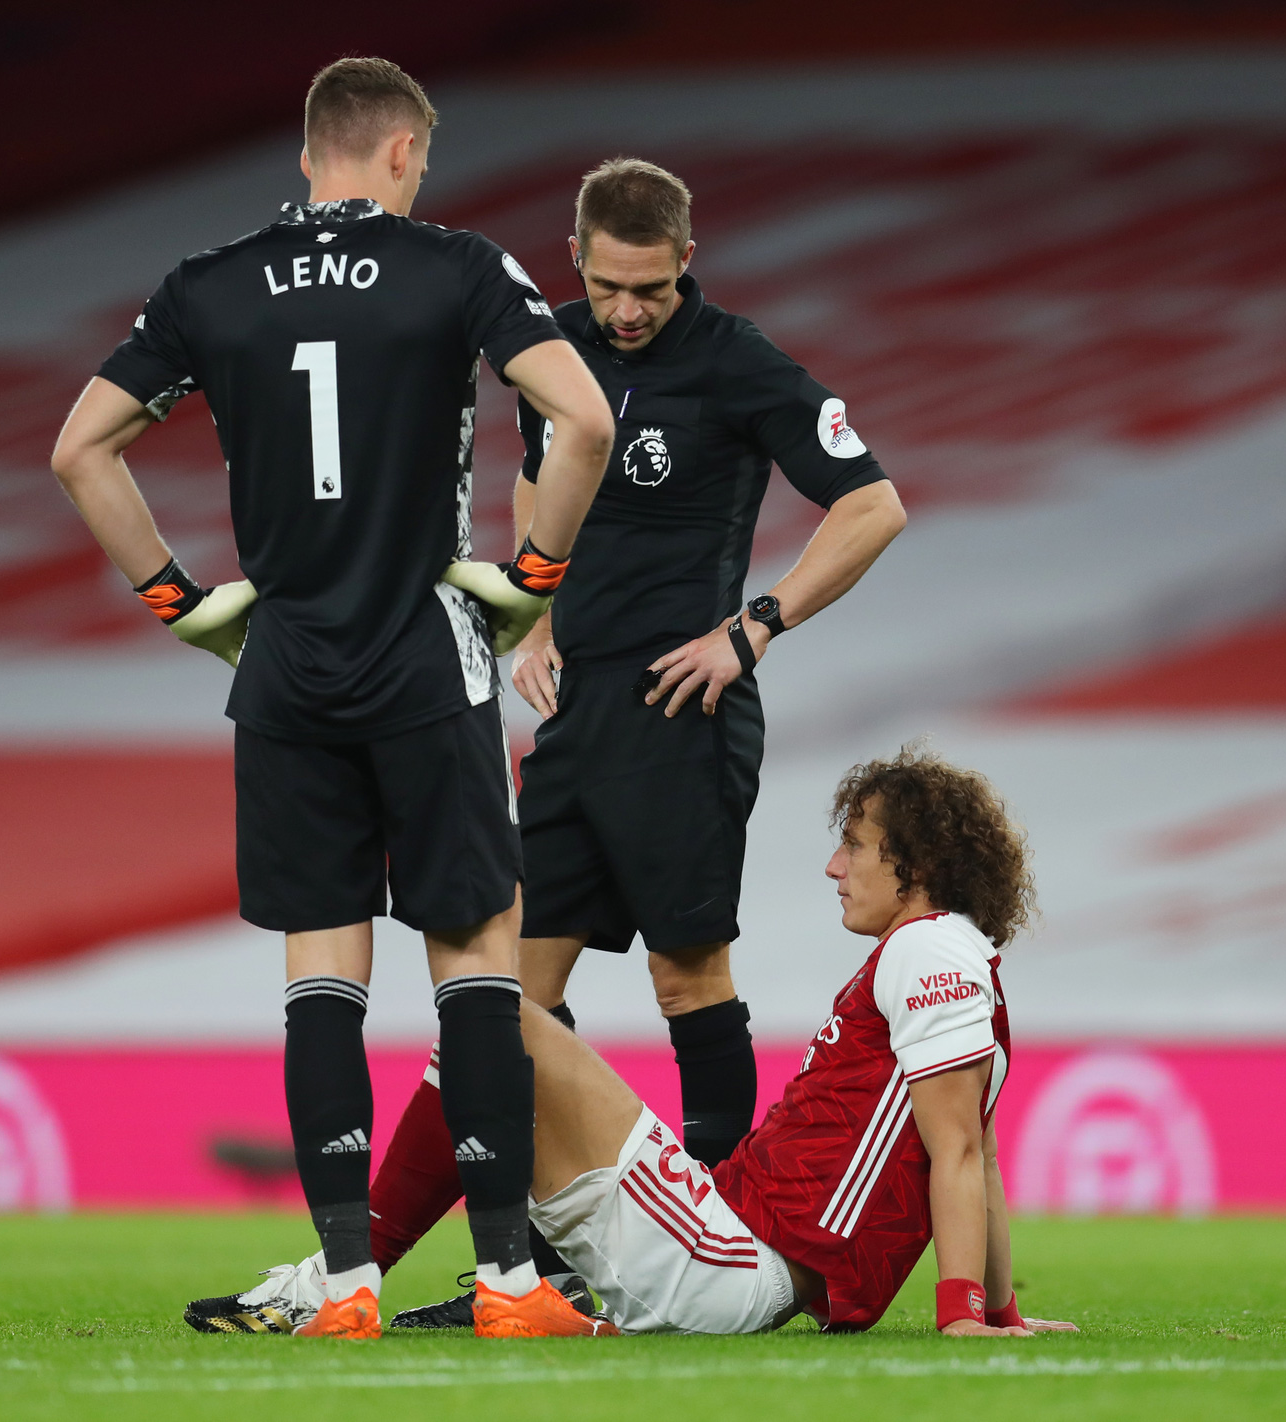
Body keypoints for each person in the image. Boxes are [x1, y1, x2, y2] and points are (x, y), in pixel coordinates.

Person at [49, 57, 615, 1340]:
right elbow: (577, 421)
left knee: (321, 975)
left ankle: (347, 1280)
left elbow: (79, 448)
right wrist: (530, 581)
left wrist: (179, 602)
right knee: (475, 956)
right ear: (405, 152)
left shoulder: (206, 284)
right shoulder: (458, 269)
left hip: (288, 663)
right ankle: (513, 1284)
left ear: (312, 154)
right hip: (426, 648)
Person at [307, 156, 910, 1328]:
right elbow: (544, 479)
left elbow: (873, 502)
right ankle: (525, 1271)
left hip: (686, 716)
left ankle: (727, 1241)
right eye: (608, 284)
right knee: (506, 995)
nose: (628, 310)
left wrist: (754, 627)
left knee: (689, 976)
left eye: (649, 287)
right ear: (573, 261)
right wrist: (527, 614)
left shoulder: (738, 361)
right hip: (578, 719)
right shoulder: (549, 351)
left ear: (686, 261)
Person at [192, 747, 1081, 1336]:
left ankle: (358, 1276)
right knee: (491, 1027)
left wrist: (963, 1314)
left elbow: (960, 1151)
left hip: (731, 1260)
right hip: (727, 1241)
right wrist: (995, 1309)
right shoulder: (956, 957)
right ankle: (496, 1280)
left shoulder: (927, 947)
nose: (834, 866)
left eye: (855, 845)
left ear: (915, 868)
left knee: (492, 1020)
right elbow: (977, 1154)